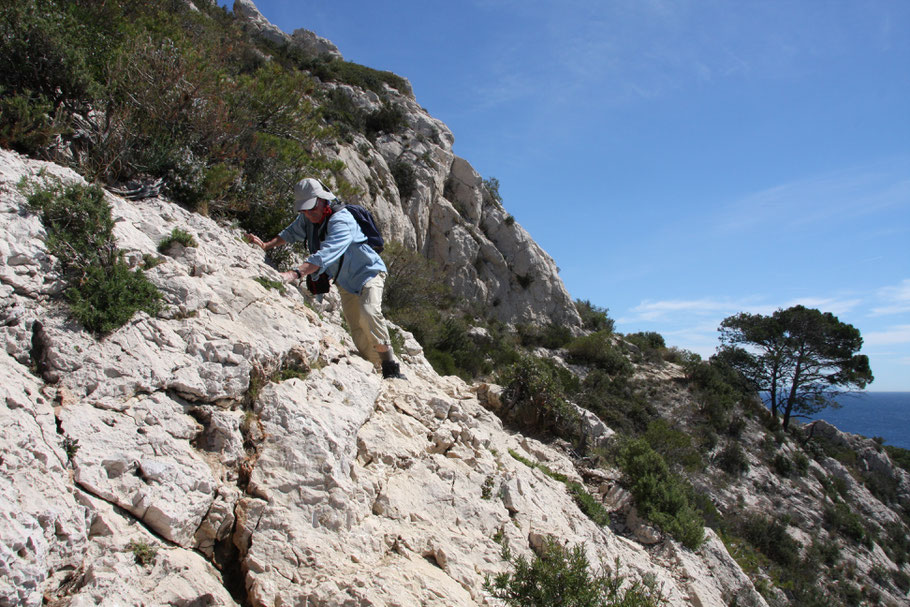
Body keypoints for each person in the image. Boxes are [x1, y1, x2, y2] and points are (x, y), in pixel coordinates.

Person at [246, 178, 405, 380]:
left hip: (368, 273)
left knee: (369, 312)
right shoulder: (309, 217)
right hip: (345, 282)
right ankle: (374, 366)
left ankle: (391, 367)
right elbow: (291, 233)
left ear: (322, 200)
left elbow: (325, 254)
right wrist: (267, 245)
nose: (308, 214)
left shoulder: (342, 220)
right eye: (303, 210)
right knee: (356, 327)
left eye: (311, 208)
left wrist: (295, 273)